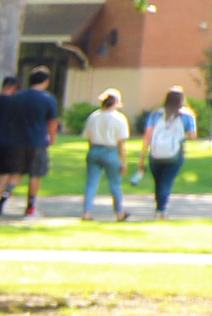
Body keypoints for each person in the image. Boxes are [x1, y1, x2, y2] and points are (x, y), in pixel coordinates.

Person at [0, 69, 58, 218]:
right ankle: (30, 205)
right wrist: (52, 138)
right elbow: (52, 122)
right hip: (37, 141)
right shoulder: (48, 99)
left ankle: (2, 196)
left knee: (17, 171)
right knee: (35, 174)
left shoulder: (16, 98)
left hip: (16, 141)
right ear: (46, 82)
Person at [143, 86, 198, 215]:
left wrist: (143, 154)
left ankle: (159, 207)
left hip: (155, 153)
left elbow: (148, 134)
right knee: (167, 181)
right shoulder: (186, 115)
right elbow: (193, 135)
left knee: (158, 182)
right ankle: (162, 209)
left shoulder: (156, 114)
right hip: (175, 154)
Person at [79, 88, 131, 220]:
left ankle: (87, 212)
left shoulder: (94, 116)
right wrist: (123, 162)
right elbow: (121, 144)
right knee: (115, 183)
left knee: (91, 183)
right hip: (111, 150)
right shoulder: (119, 118)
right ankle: (119, 212)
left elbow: (89, 137)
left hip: (95, 149)